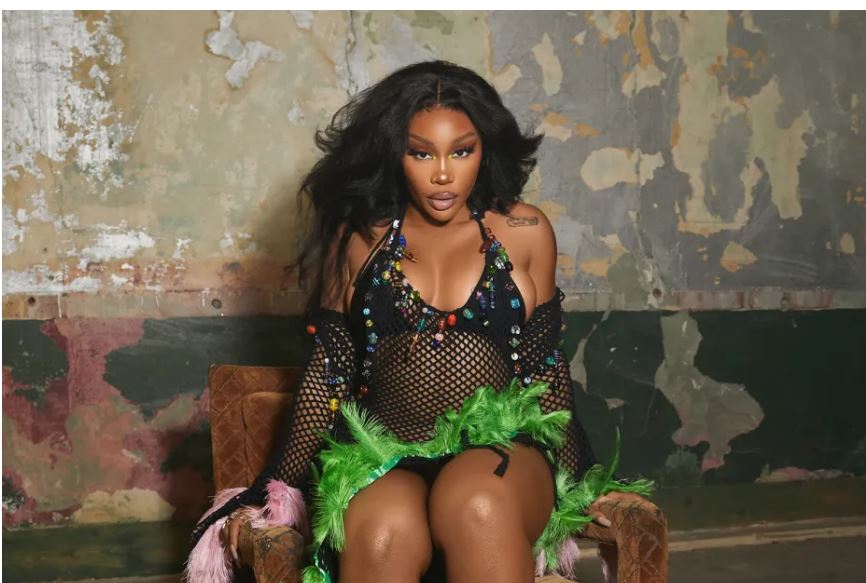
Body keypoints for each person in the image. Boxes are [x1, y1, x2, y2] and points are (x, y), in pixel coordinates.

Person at [185, 60, 652, 583]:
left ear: (485, 150)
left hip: (500, 453)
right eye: (422, 152)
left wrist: (584, 479)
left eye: (462, 151)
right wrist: (270, 490)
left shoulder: (523, 229)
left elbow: (545, 371)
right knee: (380, 531)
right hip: (387, 454)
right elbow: (329, 376)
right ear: (395, 153)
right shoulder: (359, 238)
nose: (443, 173)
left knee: (475, 502)